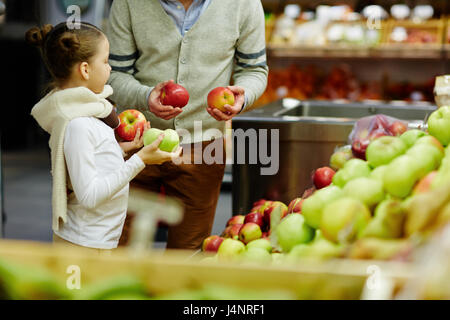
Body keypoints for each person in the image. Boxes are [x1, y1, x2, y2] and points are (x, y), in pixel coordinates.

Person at [107, 0, 269, 249]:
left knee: (188, 252)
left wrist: (243, 95)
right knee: (119, 247)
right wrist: (145, 96)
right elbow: (114, 72)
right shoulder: (129, 3)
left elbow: (255, 69)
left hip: (203, 145)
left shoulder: (243, 4)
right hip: (136, 141)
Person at [26, 22, 182, 253]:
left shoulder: (91, 111)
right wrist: (140, 161)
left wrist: (123, 149)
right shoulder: (78, 124)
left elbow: (92, 161)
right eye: (106, 61)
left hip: (97, 240)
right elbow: (89, 196)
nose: (109, 69)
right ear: (85, 70)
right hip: (81, 246)